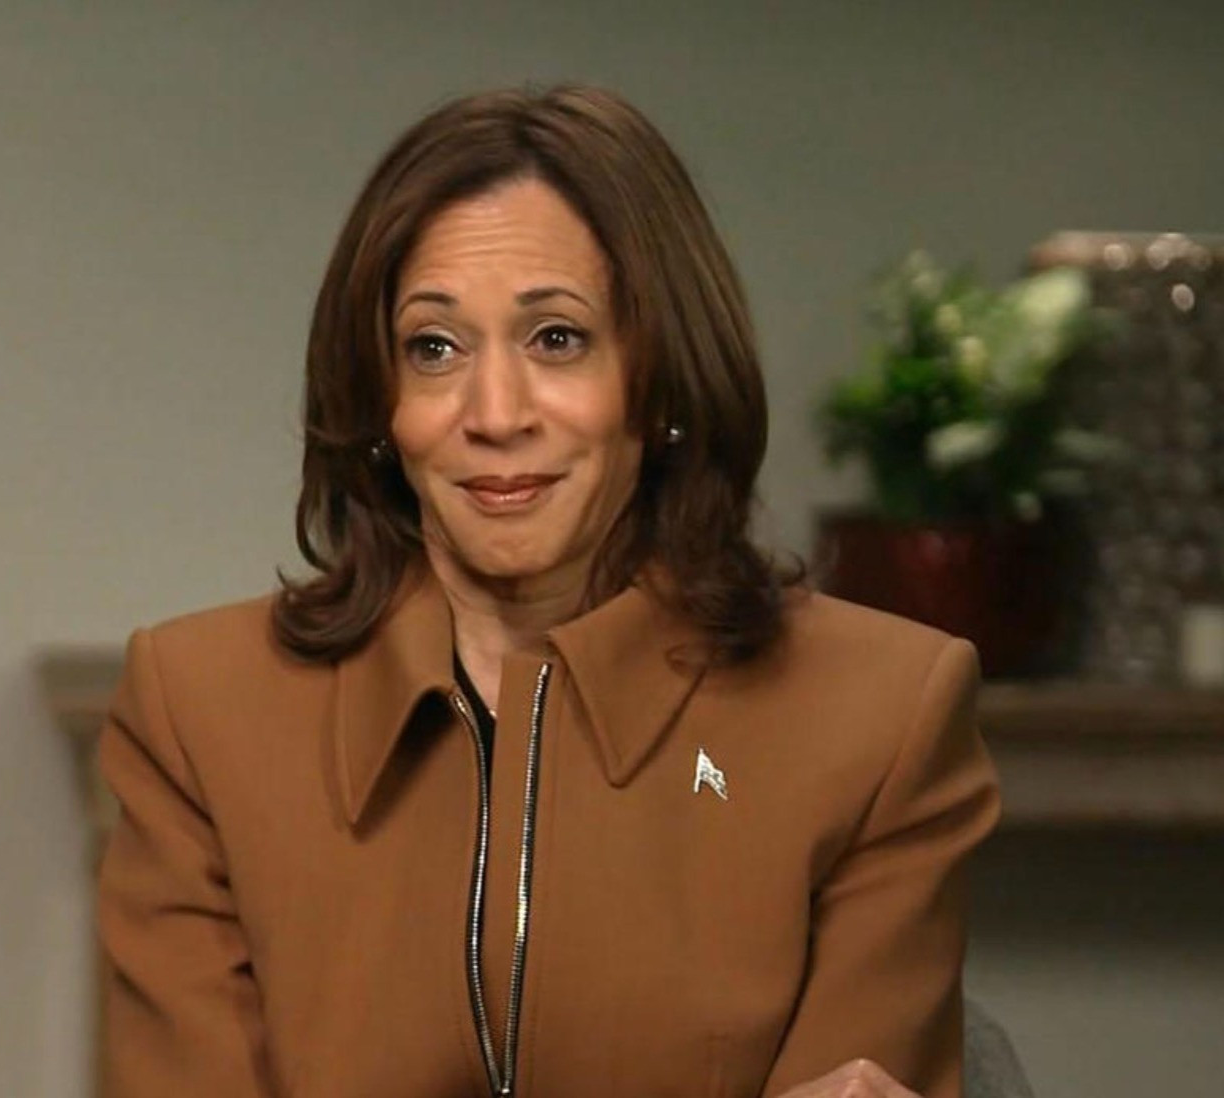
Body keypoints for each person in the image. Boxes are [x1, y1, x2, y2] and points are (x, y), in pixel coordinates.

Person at [95, 85, 1000, 1098]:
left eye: (556, 338)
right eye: (433, 348)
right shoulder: (197, 711)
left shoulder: (882, 713)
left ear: (660, 378)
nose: (495, 414)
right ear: (380, 403)